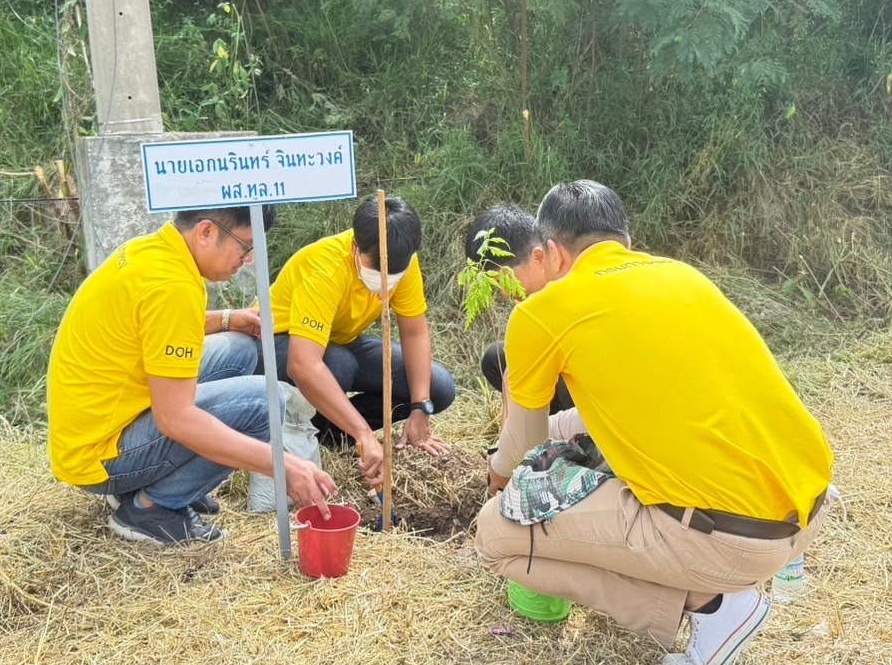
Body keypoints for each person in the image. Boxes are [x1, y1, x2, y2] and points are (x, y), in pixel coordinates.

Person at [474, 181, 836, 665]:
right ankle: (715, 599)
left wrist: (497, 473)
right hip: (804, 513)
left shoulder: (543, 311)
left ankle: (710, 604)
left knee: (494, 535)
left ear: (552, 252)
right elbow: (612, 413)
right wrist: (556, 430)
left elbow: (524, 443)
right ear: (625, 240)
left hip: (730, 540)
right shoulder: (682, 277)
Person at [48, 206, 339, 547]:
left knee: (239, 350)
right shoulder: (174, 286)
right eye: (245, 246)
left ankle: (154, 484)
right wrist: (283, 465)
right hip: (100, 456)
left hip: (101, 420)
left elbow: (160, 324)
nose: (247, 259)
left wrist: (228, 318)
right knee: (265, 402)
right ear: (206, 232)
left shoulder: (152, 251)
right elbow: (176, 419)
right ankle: (151, 507)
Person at [260, 196, 457, 485]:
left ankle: (329, 432)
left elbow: (414, 333)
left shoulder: (403, 260)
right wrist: (363, 432)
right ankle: (308, 428)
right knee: (338, 365)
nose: (385, 281)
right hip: (276, 344)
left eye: (393, 275)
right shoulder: (325, 267)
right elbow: (302, 364)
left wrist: (420, 407)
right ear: (355, 246)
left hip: (342, 341)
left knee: (438, 386)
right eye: (376, 270)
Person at [465, 204, 576, 424]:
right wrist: (510, 431)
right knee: (496, 358)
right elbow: (515, 365)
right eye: (497, 286)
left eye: (506, 281)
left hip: (598, 386)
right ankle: (546, 429)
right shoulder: (531, 295)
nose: (505, 293)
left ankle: (579, 437)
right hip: (556, 380)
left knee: (567, 378)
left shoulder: (572, 278)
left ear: (538, 257)